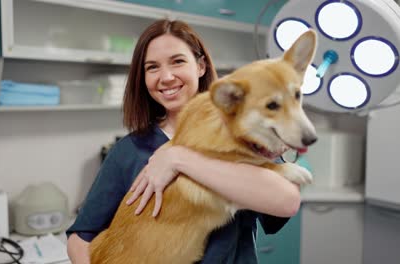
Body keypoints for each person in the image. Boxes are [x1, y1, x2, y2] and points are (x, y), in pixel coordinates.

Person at [66, 19, 301, 264]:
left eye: (177, 61)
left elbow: (286, 202)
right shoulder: (130, 151)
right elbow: (80, 238)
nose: (166, 77)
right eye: (152, 67)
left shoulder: (244, 136)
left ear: (200, 66)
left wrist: (178, 158)